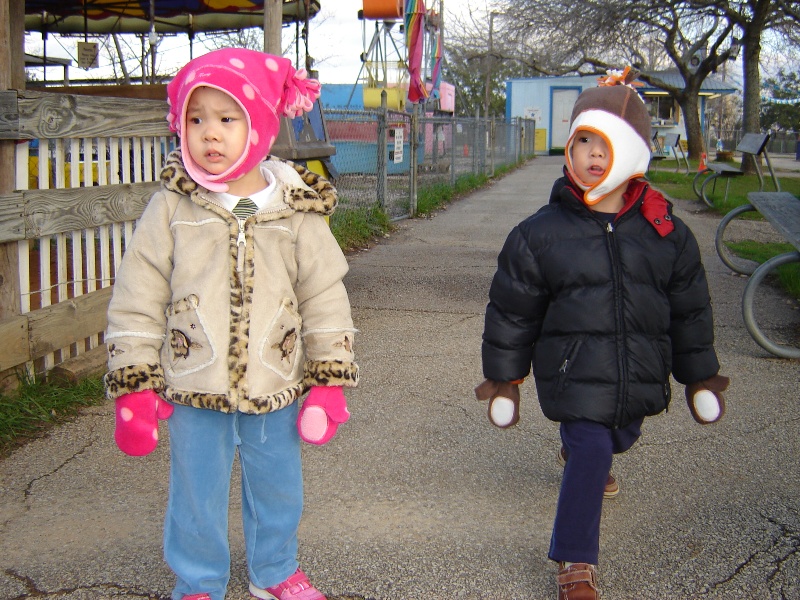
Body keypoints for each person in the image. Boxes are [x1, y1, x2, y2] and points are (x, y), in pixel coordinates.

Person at [103, 48, 358, 600]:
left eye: (226, 118)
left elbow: (324, 293)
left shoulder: (296, 208)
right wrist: (135, 383)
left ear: (261, 124)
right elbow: (137, 295)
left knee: (278, 487)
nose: (209, 134)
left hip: (277, 381)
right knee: (195, 492)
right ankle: (198, 581)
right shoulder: (172, 207)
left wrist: (328, 378)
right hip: (194, 384)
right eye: (196, 120)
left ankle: (275, 570)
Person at [475, 68, 729, 600]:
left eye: (605, 144)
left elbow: (689, 308)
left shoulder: (666, 233)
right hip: (572, 372)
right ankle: (575, 559)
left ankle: (587, 457)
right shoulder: (539, 234)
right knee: (591, 442)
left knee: (618, 435)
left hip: (638, 370)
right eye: (583, 141)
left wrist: (700, 376)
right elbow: (513, 311)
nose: (592, 155)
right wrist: (505, 380)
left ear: (634, 152)